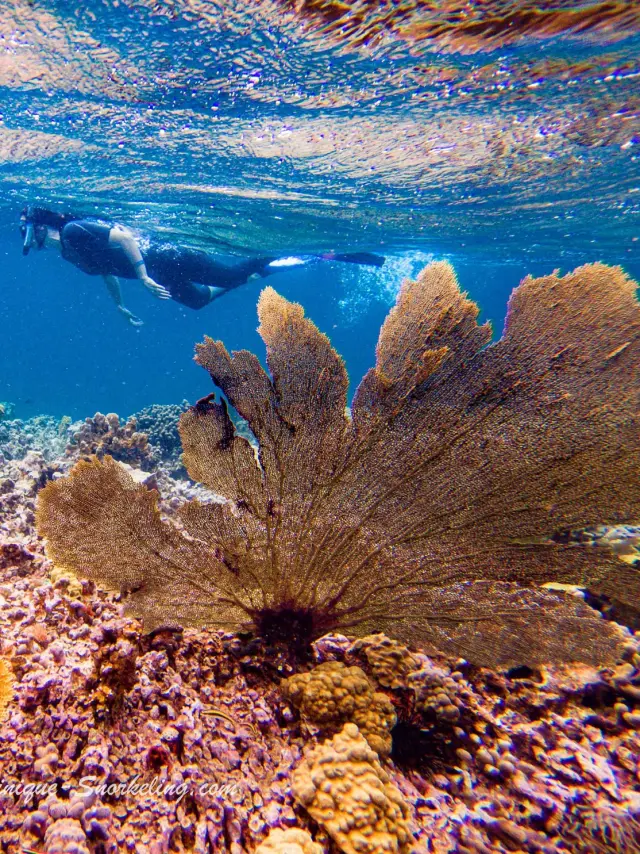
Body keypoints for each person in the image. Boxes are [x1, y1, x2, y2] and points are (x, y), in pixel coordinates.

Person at [20, 206, 385, 327]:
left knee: (231, 275)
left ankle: (318, 253)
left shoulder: (74, 229)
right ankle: (263, 270)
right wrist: (119, 305)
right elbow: (105, 271)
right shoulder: (68, 252)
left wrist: (142, 276)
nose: (35, 243)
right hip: (159, 273)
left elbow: (125, 238)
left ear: (42, 225)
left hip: (165, 258)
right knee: (197, 301)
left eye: (33, 233)